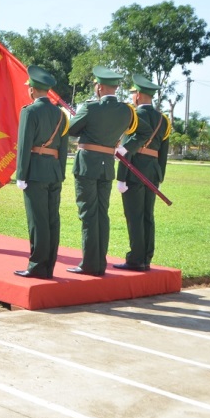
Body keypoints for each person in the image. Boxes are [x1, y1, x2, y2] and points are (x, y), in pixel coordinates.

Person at [66, 65, 137, 276]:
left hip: (88, 165)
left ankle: (90, 264)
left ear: (99, 87)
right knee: (101, 215)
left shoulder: (90, 108)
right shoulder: (126, 111)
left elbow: (70, 130)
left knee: (88, 214)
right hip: (107, 165)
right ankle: (99, 263)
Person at [13, 66, 69, 278]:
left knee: (37, 221)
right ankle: (49, 266)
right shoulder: (60, 114)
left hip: (35, 172)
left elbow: (25, 144)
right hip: (54, 171)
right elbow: (62, 148)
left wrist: (21, 174)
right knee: (52, 220)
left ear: (32, 90)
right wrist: (60, 171)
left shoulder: (29, 111)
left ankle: (37, 266)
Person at [114, 73, 171, 271]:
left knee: (134, 215)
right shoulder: (163, 119)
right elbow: (163, 152)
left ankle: (136, 259)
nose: (132, 97)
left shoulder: (135, 115)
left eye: (133, 93)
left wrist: (121, 177)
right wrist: (159, 175)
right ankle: (146, 257)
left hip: (135, 170)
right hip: (153, 171)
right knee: (148, 215)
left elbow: (125, 150)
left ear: (138, 95)